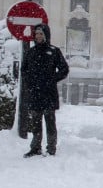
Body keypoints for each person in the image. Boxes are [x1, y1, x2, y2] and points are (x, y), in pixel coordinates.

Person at [21, 24, 70, 157]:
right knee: (35, 123)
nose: (38, 36)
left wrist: (52, 79)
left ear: (46, 35)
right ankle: (35, 147)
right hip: (35, 93)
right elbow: (23, 70)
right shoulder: (30, 52)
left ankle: (51, 148)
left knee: (50, 122)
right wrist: (29, 82)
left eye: (41, 34)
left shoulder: (54, 51)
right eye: (36, 34)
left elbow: (64, 69)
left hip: (49, 93)